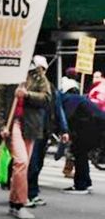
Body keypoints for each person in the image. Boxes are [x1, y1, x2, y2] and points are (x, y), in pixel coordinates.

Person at [0, 57, 52, 219]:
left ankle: (13, 202)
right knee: (21, 161)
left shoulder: (37, 74)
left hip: (30, 125)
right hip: (12, 124)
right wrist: (1, 126)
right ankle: (20, 203)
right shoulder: (6, 73)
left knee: (23, 165)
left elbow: (47, 97)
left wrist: (27, 95)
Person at [26, 56, 68, 208]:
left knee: (38, 163)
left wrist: (64, 129)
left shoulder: (50, 88)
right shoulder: (26, 85)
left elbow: (58, 109)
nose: (40, 72)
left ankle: (30, 192)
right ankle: (27, 193)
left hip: (44, 130)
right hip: (29, 128)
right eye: (38, 69)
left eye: (43, 69)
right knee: (30, 163)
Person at [59, 78, 105, 194]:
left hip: (91, 128)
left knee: (79, 153)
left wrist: (63, 130)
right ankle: (86, 183)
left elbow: (67, 117)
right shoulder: (78, 99)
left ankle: (81, 186)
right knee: (81, 154)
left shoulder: (69, 99)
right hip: (95, 127)